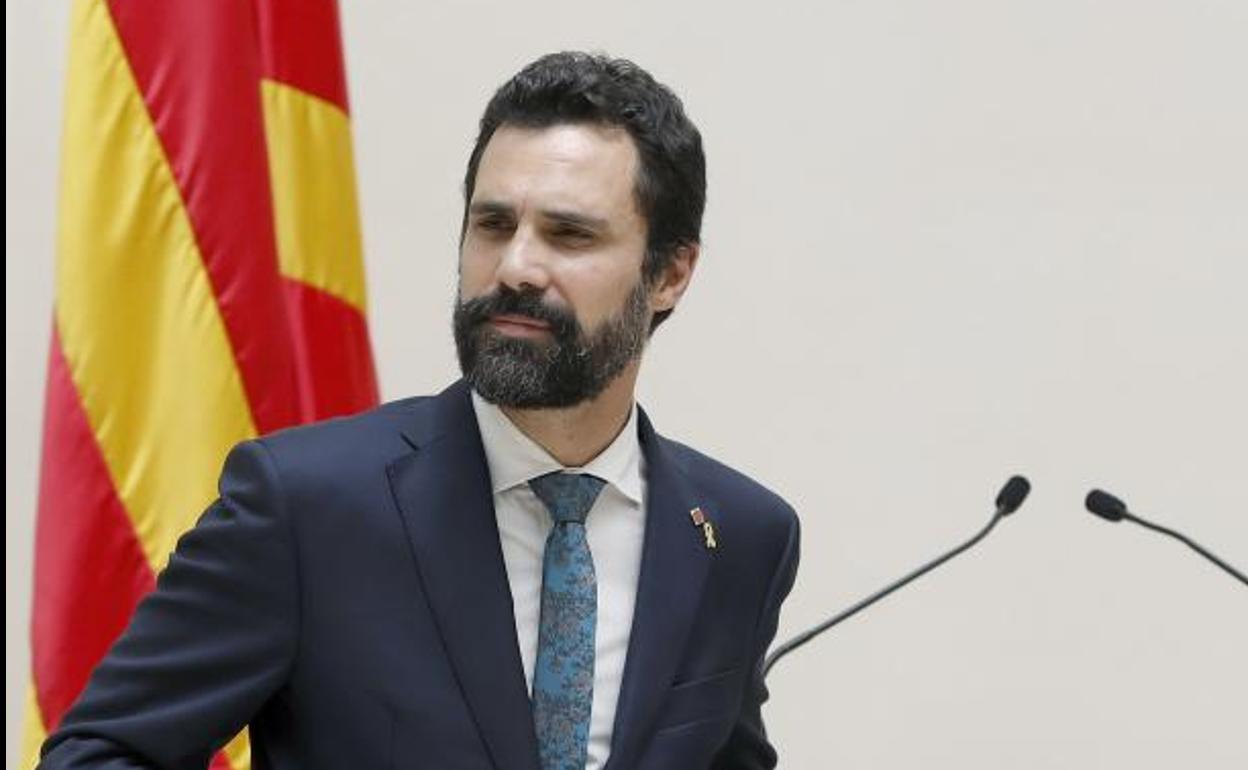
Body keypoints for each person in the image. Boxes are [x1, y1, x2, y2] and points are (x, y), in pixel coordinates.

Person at [41, 51, 800, 770]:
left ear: (670, 273)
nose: (515, 268)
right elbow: (96, 754)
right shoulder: (306, 508)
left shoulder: (740, 537)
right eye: (493, 225)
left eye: (569, 235)